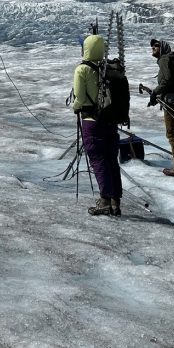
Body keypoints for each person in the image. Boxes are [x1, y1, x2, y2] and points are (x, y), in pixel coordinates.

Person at [72, 34, 122, 216]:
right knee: (111, 160)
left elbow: (80, 98)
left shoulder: (83, 69)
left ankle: (104, 201)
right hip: (111, 121)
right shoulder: (108, 68)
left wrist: (75, 108)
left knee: (98, 159)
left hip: (92, 121)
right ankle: (116, 202)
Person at [148, 38, 174, 179]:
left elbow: (166, 80)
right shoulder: (169, 60)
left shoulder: (165, 59)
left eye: (156, 46)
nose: (153, 48)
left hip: (172, 101)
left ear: (162, 47)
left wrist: (155, 92)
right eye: (152, 46)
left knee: (171, 134)